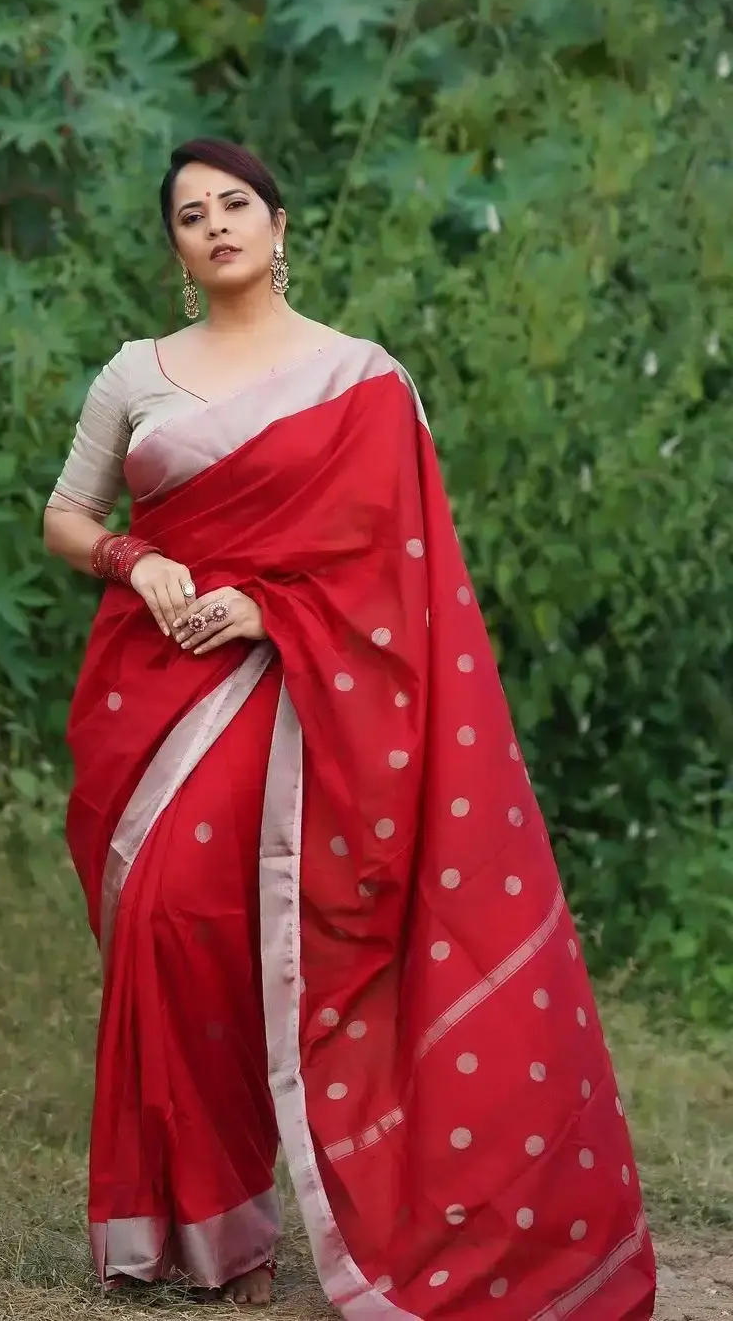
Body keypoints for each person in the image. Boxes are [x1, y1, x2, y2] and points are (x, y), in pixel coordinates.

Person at [41, 136, 657, 1319]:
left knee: (303, 950)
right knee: (169, 923)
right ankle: (198, 1234)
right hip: (170, 692)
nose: (215, 224)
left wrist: (268, 605)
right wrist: (140, 557)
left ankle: (396, 1198)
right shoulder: (136, 373)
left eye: (235, 204)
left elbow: (397, 568)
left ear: (280, 226)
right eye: (188, 214)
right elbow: (68, 517)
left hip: (320, 699)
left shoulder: (360, 377)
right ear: (173, 247)